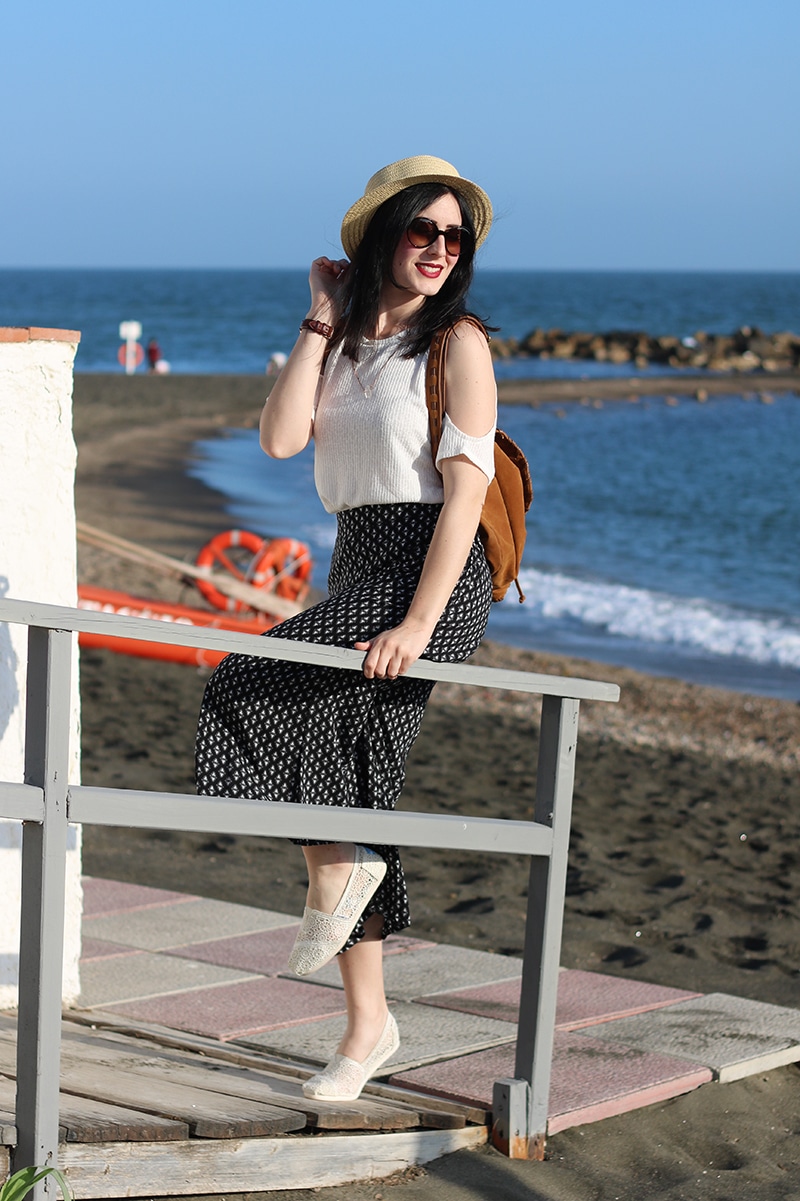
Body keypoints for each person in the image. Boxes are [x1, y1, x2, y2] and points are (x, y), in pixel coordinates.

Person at [195, 155, 497, 1101]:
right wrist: (321, 315)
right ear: (380, 235)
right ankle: (369, 1025)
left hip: (433, 569)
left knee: (244, 682)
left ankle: (337, 869)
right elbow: (281, 439)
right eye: (422, 230)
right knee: (352, 783)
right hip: (357, 558)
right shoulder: (344, 340)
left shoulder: (458, 343)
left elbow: (466, 495)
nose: (440, 249)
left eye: (455, 237)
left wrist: (419, 619)